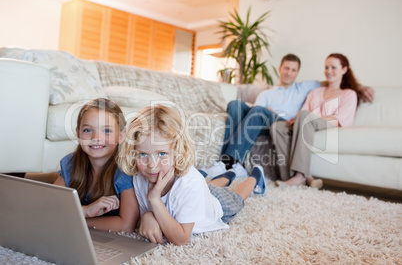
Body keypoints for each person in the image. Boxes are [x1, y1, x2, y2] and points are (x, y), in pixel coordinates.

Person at [117, 105, 266, 246]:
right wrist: (147, 216)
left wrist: (154, 199)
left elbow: (181, 239)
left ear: (177, 150)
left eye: (162, 153)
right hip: (202, 192)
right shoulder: (139, 176)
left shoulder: (191, 183)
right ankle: (227, 175)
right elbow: (149, 213)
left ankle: (254, 177)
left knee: (236, 196)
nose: (152, 164)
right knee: (207, 187)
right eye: (143, 154)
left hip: (218, 203)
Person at [219, 53, 374, 175]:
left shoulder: (305, 87)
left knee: (259, 111)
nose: (289, 73)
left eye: (293, 70)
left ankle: (232, 163)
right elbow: (253, 114)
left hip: (285, 123)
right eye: (286, 68)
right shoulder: (267, 94)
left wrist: (358, 87)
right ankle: (223, 162)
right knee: (235, 105)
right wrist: (266, 111)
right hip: (262, 119)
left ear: (298, 72)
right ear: (280, 69)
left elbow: (333, 80)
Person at [271, 53, 360, 188]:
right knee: (277, 126)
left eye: (333, 68)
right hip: (309, 122)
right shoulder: (316, 91)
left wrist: (309, 117)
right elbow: (304, 110)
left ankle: (300, 175)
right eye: (326, 67)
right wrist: (296, 119)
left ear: (344, 70)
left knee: (305, 116)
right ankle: (291, 177)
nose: (329, 71)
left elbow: (342, 119)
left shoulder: (349, 94)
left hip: (331, 124)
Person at [54, 98, 139, 233]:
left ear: (121, 136)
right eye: (87, 130)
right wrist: (85, 211)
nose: (96, 137)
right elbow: (50, 205)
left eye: (107, 131)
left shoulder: (124, 170)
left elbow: (126, 225)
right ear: (78, 133)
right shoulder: (71, 163)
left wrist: (79, 219)